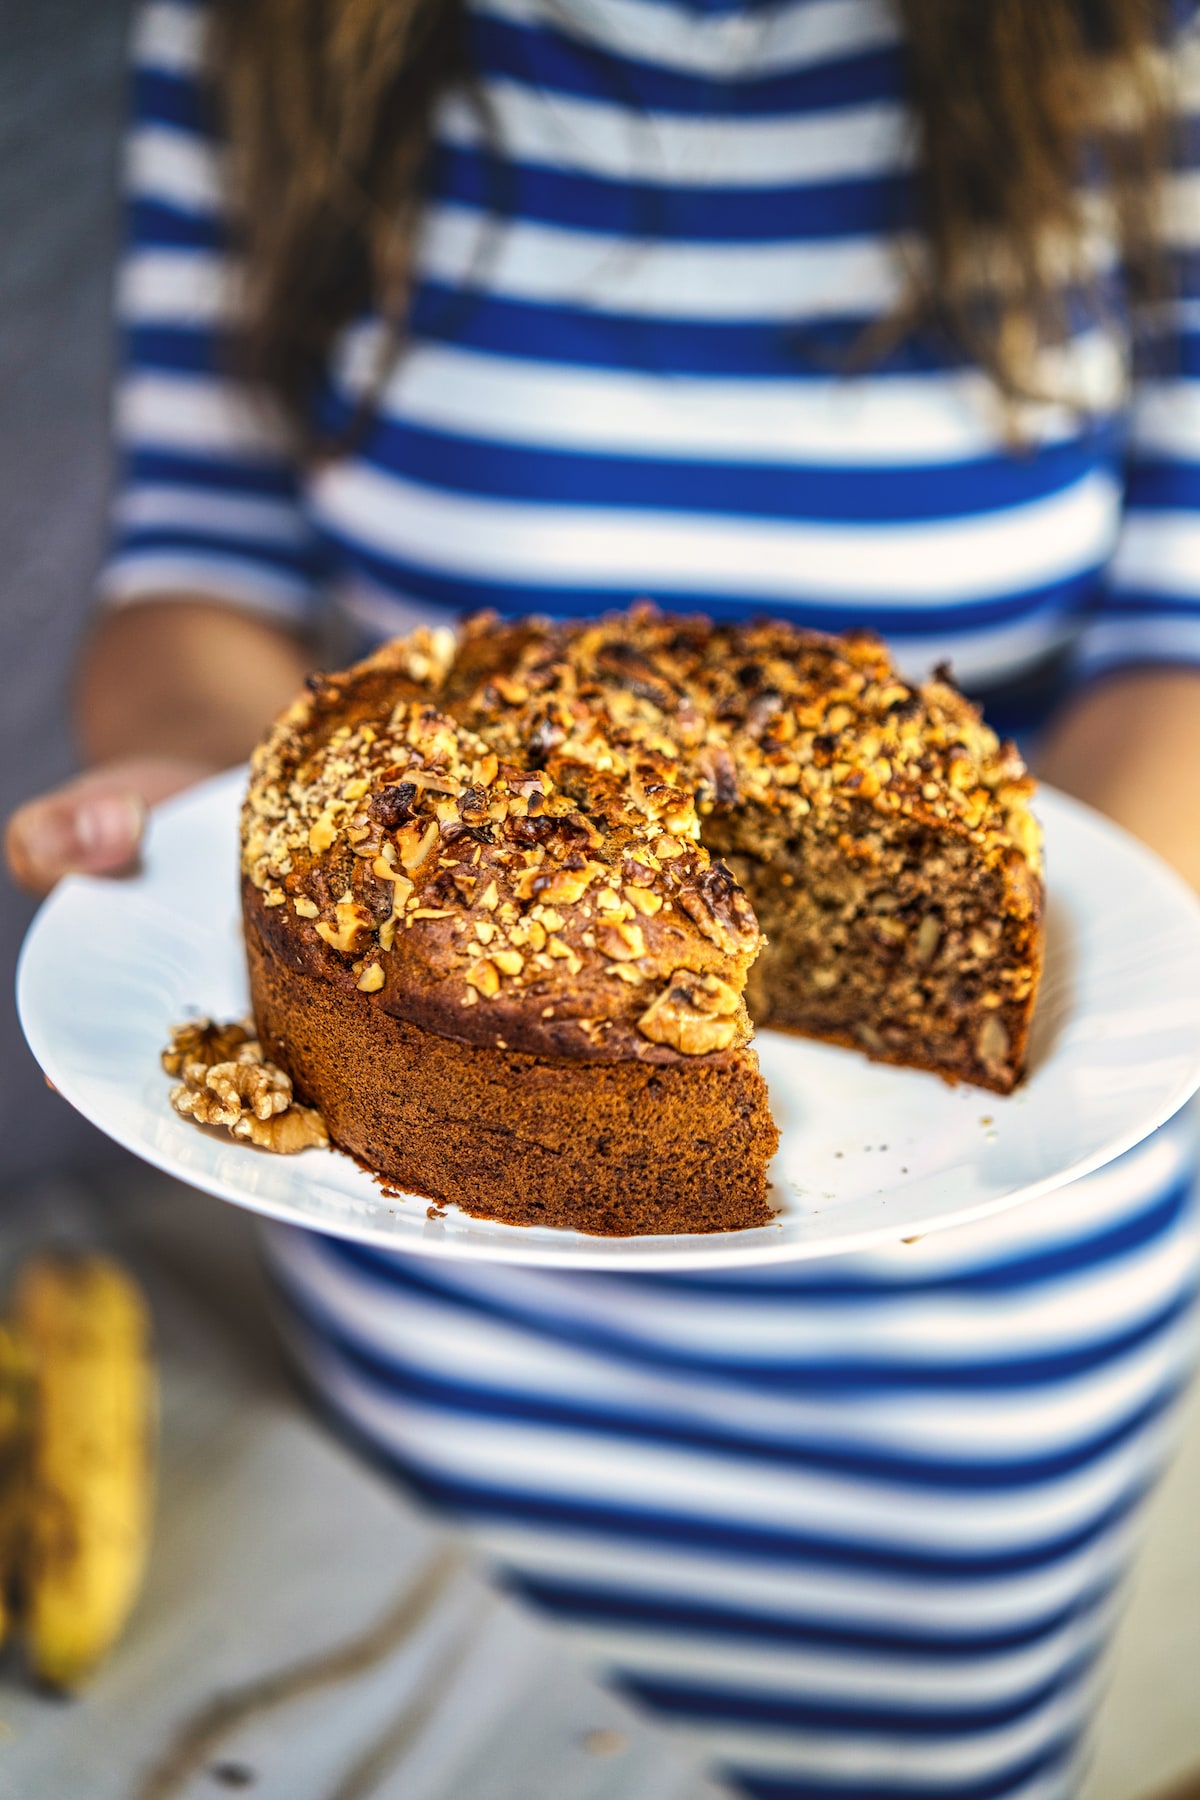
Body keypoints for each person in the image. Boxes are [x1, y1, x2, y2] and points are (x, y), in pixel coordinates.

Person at [8, 0, 1200, 1793]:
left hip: (967, 1350)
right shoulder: (265, 30)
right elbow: (202, 556)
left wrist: (1015, 1063)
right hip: (436, 1304)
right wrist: (209, 797)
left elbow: (1182, 635)